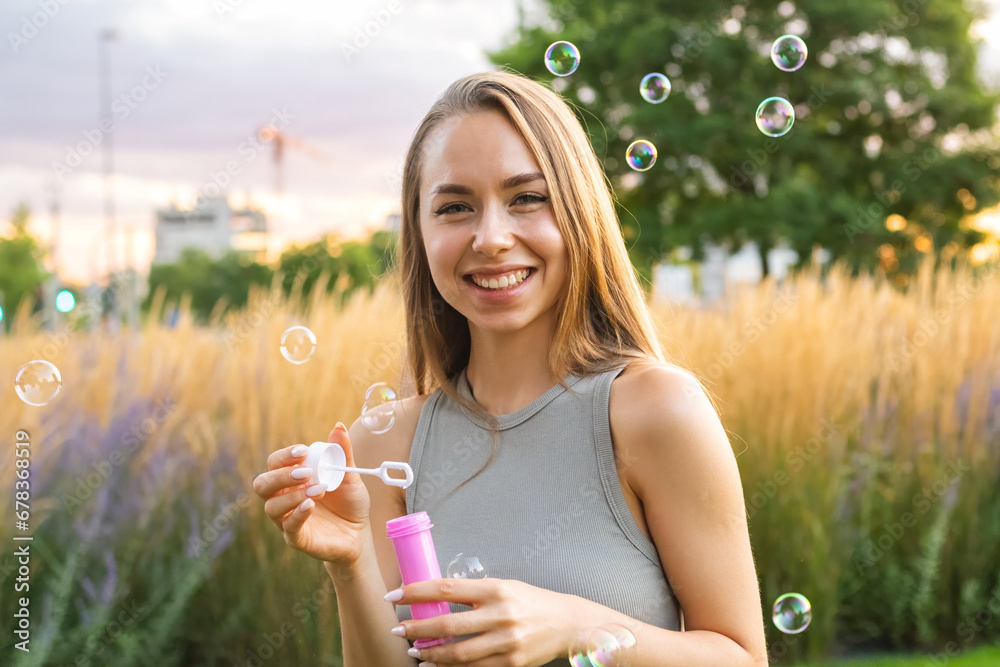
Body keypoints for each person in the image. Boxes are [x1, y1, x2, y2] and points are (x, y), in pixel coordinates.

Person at [253, 69, 767, 667]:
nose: (491, 237)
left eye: (526, 197)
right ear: (419, 234)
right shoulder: (382, 444)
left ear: (577, 213)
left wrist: (577, 624)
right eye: (454, 207)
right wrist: (350, 563)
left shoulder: (655, 409)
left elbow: (740, 657)